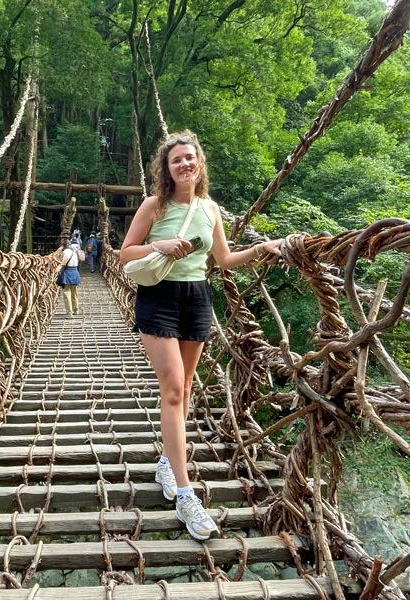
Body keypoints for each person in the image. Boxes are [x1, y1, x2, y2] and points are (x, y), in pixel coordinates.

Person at [119, 130, 282, 541]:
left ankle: (166, 463)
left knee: (187, 387)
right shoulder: (154, 205)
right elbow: (125, 252)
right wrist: (162, 244)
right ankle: (186, 492)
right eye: (176, 160)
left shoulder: (210, 209)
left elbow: (224, 260)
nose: (184, 164)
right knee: (174, 389)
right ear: (167, 168)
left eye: (189, 157)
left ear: (199, 162)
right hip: (158, 297)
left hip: (196, 298)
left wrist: (265, 248)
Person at [60, 239, 81, 316]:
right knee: (74, 292)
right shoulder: (74, 252)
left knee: (66, 292)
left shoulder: (65, 252)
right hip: (75, 272)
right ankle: (76, 310)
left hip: (67, 272)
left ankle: (69, 312)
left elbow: (63, 263)